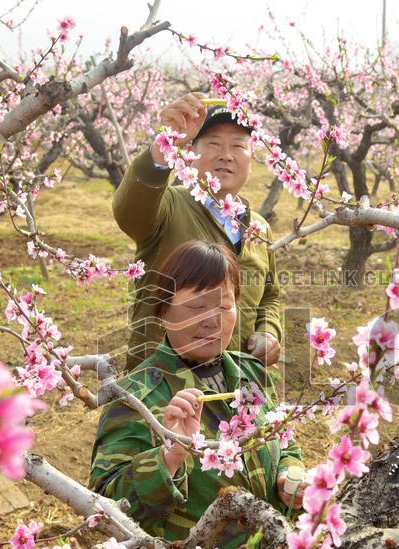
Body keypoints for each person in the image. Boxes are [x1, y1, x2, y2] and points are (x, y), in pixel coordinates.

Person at [89, 241, 305, 548]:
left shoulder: (251, 375)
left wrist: (290, 474)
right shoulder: (136, 398)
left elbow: (285, 445)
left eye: (224, 306)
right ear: (164, 311)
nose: (211, 320)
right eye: (196, 306)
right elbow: (105, 507)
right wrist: (167, 460)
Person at [112, 92, 283, 373]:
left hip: (235, 385)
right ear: (190, 153)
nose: (226, 155)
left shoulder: (259, 228)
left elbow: (270, 295)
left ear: (252, 161)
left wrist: (269, 331)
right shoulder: (168, 206)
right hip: (163, 386)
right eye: (214, 143)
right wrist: (163, 150)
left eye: (239, 146)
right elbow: (129, 212)